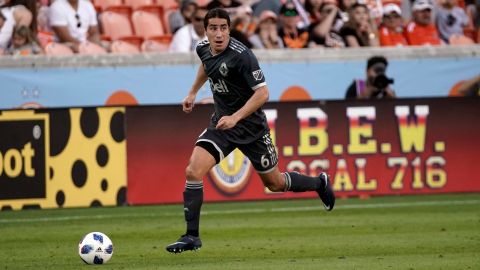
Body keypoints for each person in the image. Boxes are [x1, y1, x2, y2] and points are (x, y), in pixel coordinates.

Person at [165, 7, 335, 254]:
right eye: (213, 28)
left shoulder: (242, 56)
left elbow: (263, 93)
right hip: (222, 125)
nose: (219, 33)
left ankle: (319, 183)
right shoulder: (202, 47)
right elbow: (206, 65)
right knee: (193, 171)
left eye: (224, 28)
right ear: (206, 31)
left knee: (275, 183)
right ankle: (192, 237)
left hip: (251, 129)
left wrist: (235, 117)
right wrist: (192, 91)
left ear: (229, 29)